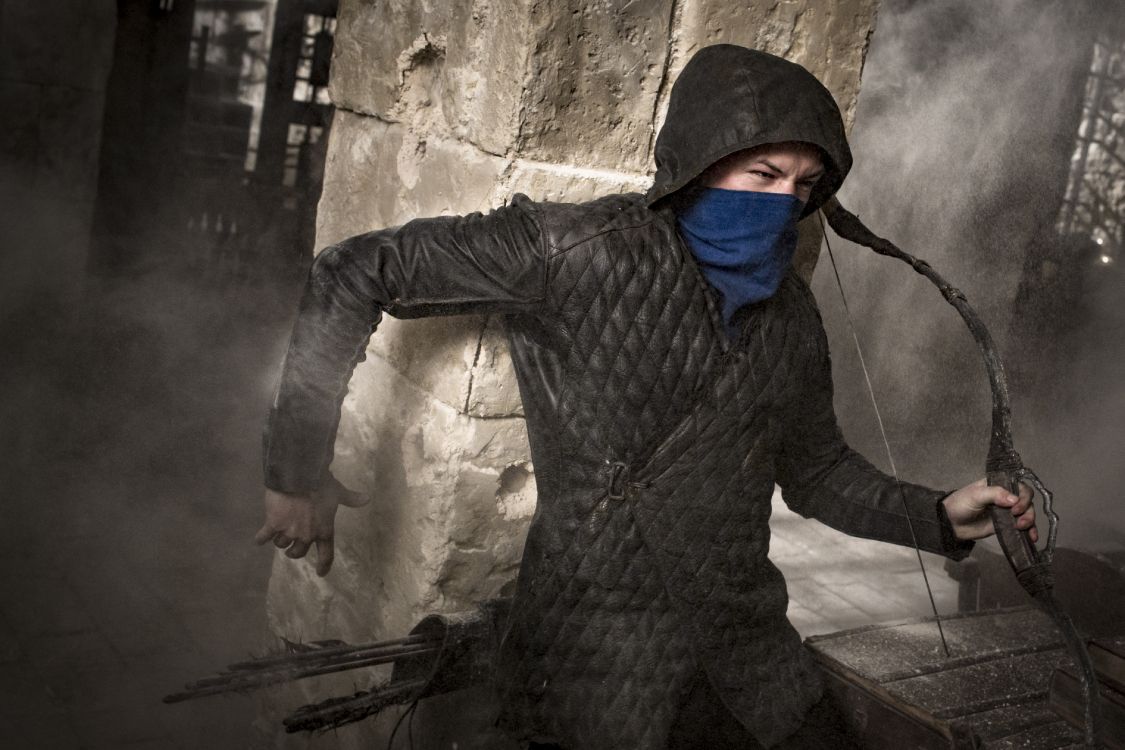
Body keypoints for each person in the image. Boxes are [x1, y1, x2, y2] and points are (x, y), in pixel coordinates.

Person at [254, 45, 1035, 749]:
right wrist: (295, 471)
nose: (783, 201)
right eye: (760, 175)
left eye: (803, 185)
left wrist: (937, 516)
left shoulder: (790, 317)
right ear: (698, 164)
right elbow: (354, 271)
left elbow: (816, 470)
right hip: (593, 648)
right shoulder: (574, 250)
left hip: (744, 643)